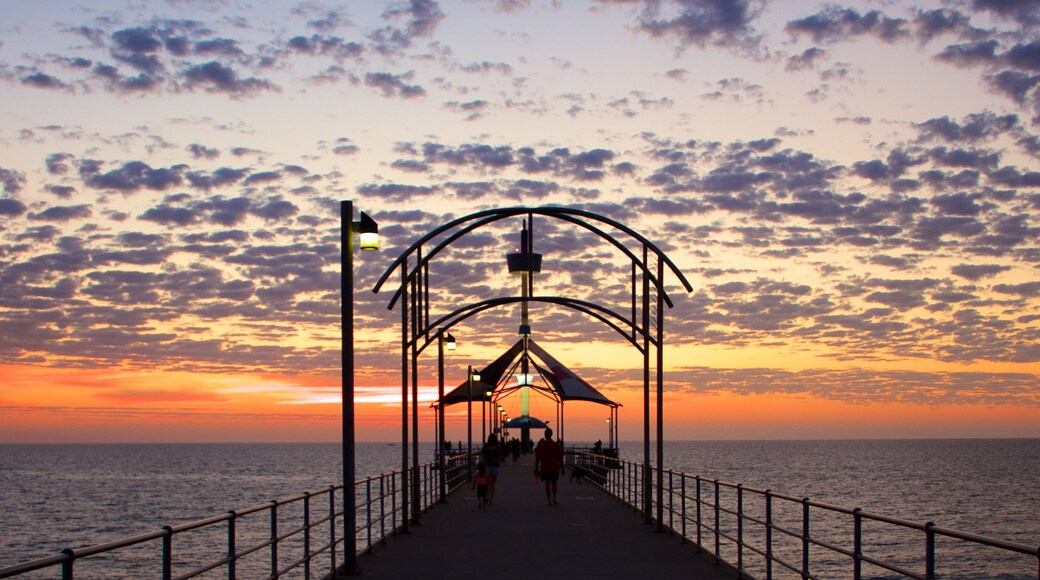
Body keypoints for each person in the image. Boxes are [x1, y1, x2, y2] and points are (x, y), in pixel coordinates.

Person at [533, 427, 564, 505]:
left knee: (547, 483)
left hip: (545, 467)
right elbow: (560, 457)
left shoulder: (542, 444)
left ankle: (549, 500)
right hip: (555, 467)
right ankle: (554, 498)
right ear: (551, 435)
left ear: (545, 435)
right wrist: (562, 468)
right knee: (554, 483)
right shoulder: (555, 445)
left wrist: (536, 468)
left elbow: (537, 457)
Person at [481, 433, 501, 504]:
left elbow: (482, 456)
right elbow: (499, 456)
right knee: (492, 484)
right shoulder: (497, 446)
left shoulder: (486, 446)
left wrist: (484, 465)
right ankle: (491, 500)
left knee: (487, 483)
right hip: (495, 467)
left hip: (487, 467)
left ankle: (486, 497)